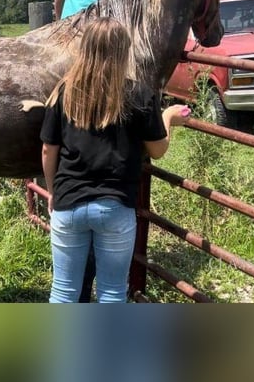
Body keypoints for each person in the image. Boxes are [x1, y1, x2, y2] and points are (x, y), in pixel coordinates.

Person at [40, 17, 189, 303]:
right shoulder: (139, 94)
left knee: (64, 290)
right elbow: (157, 150)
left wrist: (52, 191)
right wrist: (168, 117)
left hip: (69, 203)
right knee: (111, 291)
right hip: (115, 206)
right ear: (124, 51)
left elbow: (48, 150)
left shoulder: (63, 92)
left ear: (85, 49)